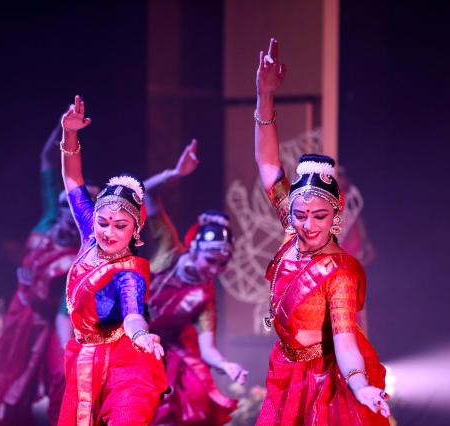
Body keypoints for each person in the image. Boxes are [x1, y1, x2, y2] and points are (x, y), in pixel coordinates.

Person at [253, 38, 390, 425]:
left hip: (323, 378)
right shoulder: (293, 222)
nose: (307, 226)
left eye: (318, 216)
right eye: (299, 215)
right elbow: (267, 164)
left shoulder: (340, 272)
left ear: (335, 214)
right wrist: (264, 95)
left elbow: (346, 342)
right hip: (284, 369)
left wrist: (360, 384)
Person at [57, 95, 167, 426]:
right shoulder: (90, 234)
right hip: (83, 356)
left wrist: (141, 336)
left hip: (123, 359)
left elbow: (133, 315)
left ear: (136, 229)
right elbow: (73, 181)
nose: (108, 232)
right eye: (103, 222)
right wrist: (70, 134)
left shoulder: (129, 273)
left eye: (120, 226)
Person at [0, 119, 93, 426]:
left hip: (51, 323)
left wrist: (69, 348)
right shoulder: (48, 217)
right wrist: (65, 129)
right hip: (21, 313)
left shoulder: (79, 258)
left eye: (73, 217)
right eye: (64, 213)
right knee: (10, 386)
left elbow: (65, 309)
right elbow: (48, 158)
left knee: (61, 376)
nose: (66, 221)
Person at [143, 139, 248, 426]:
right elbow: (147, 192)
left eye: (222, 263)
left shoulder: (205, 296)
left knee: (192, 397)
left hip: (165, 348)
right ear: (194, 248)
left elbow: (207, 347)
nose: (214, 269)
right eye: (210, 260)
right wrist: (174, 174)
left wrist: (225, 364)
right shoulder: (169, 250)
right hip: (128, 338)